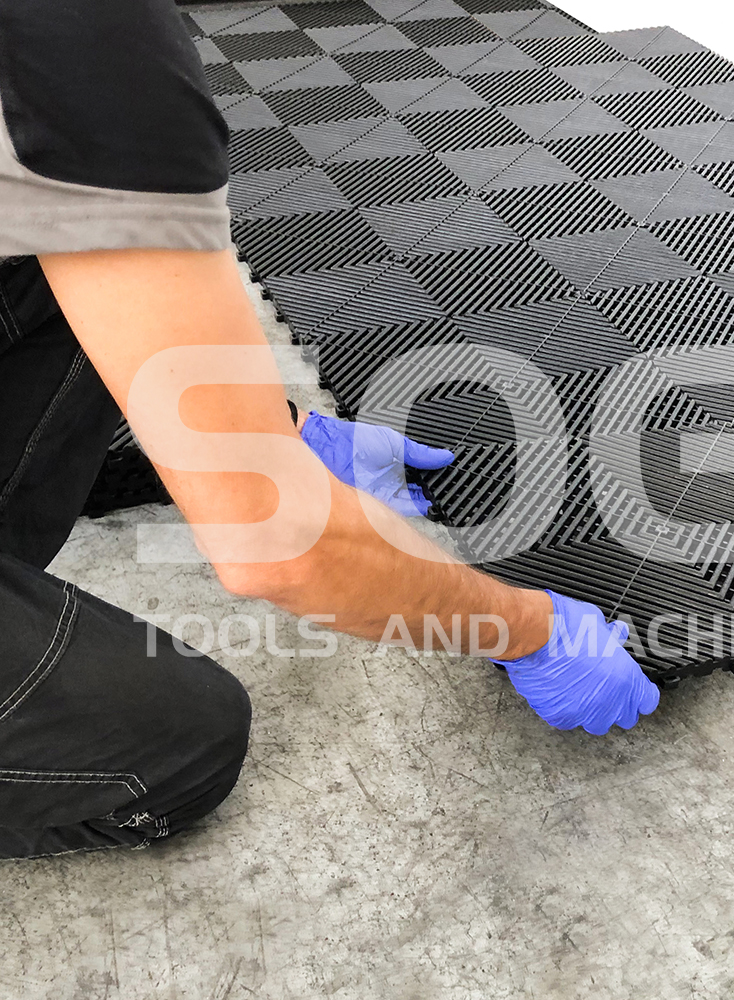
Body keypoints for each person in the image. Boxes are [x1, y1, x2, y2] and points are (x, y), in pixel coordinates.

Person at [0, 0, 658, 860]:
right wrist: (531, 630)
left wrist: (278, 431)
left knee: (62, 242)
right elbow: (281, 549)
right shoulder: (84, 48)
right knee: (177, 741)